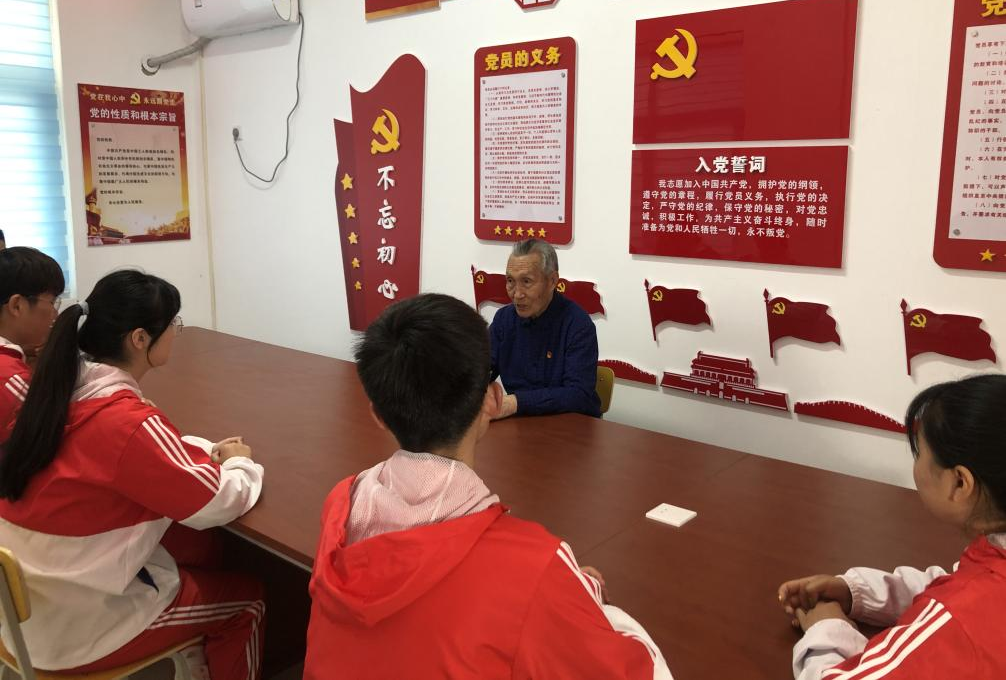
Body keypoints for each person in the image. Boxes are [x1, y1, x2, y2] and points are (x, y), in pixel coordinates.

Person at [304, 293, 672, 679]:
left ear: (378, 415)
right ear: (493, 400)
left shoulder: (341, 503)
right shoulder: (533, 567)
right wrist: (578, 596)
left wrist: (554, 587)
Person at [0, 270, 265, 680]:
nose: (176, 332)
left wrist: (187, 448)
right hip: (79, 631)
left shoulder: (57, 394)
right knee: (248, 599)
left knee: (199, 549)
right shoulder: (126, 422)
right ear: (140, 339)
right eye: (173, 324)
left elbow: (136, 454)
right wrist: (239, 462)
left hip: (25, 614)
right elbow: (217, 501)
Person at [778, 374, 1006, 680]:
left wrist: (827, 625)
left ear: (959, 483)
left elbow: (958, 605)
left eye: (919, 453)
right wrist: (858, 592)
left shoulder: (964, 616)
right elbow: (955, 581)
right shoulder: (991, 561)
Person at [489, 239, 601, 418]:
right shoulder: (504, 319)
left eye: (526, 281)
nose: (517, 294)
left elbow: (579, 395)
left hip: (568, 425)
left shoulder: (577, 324)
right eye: (510, 281)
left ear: (552, 281)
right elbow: (481, 370)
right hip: (519, 424)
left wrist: (516, 402)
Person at [0, 247, 64, 436]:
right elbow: (57, 437)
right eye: (52, 302)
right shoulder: (10, 378)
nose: (55, 314)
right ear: (17, 306)